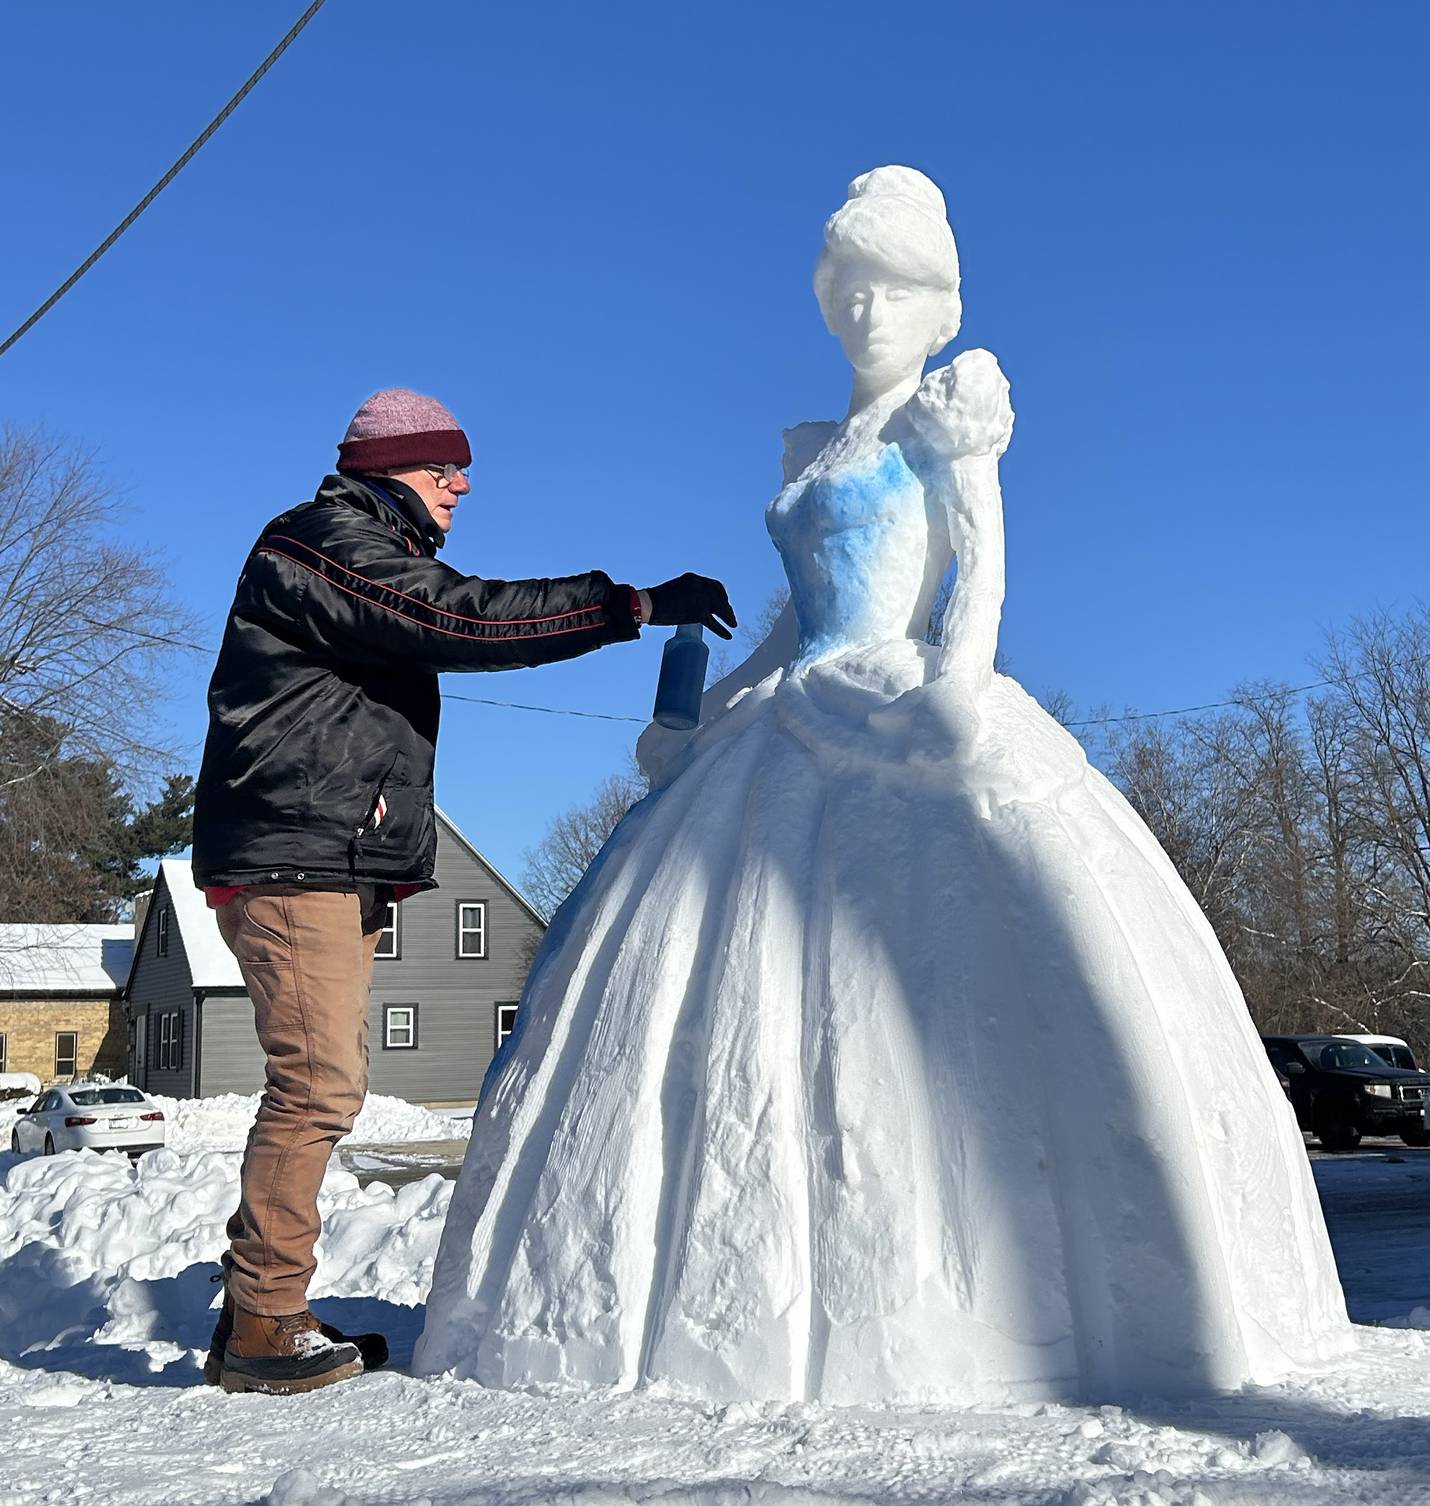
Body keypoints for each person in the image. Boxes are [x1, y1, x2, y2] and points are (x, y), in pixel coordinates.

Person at [415, 168, 1353, 1405]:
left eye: (895, 289)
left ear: (937, 305)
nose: (869, 311)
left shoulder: (942, 420)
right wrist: (696, 724)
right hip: (792, 710)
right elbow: (795, 621)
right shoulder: (816, 449)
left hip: (903, 702)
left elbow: (981, 567)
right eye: (851, 287)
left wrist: (956, 693)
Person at [191, 387, 734, 1395]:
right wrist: (633, 605)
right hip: (289, 855)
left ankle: (265, 1310)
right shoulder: (319, 544)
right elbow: (453, 617)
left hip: (322, 854)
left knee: (323, 1080)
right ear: (386, 466)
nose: (462, 485)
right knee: (316, 1085)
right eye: (444, 469)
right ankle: (264, 1323)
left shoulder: (352, 549)